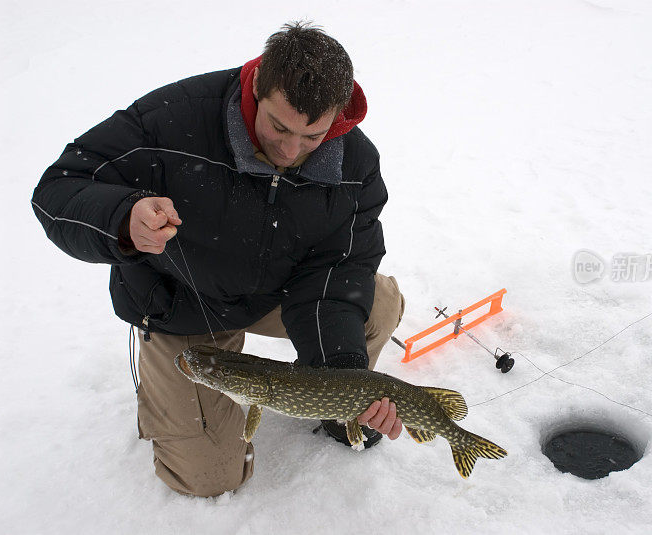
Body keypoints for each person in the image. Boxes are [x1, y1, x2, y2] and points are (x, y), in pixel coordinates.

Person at [31, 22, 406, 497]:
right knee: (208, 479)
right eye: (278, 126)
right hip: (186, 303)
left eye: (313, 136)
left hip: (282, 292)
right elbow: (58, 188)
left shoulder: (354, 164)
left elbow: (339, 269)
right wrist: (123, 219)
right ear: (256, 85)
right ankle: (170, 394)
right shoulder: (171, 119)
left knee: (378, 302)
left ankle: (336, 412)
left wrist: (343, 377)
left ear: (337, 116)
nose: (290, 151)